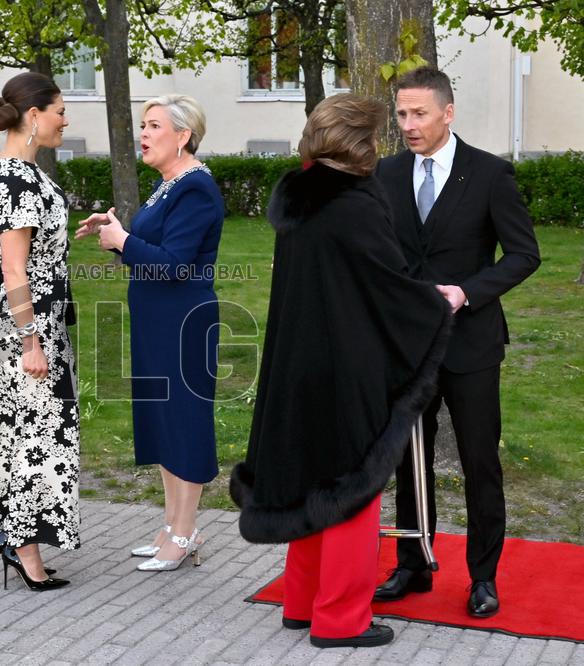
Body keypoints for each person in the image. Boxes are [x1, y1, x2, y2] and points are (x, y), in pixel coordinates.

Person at [229, 93, 452, 648]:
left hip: (298, 364)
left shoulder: (300, 201)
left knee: (312, 483)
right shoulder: (354, 204)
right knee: (353, 489)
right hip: (347, 366)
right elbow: (387, 284)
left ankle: (301, 606)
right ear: (357, 144)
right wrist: (437, 302)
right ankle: (341, 621)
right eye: (375, 138)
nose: (380, 147)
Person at [374, 67, 541, 618]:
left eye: (419, 113)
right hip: (406, 347)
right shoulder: (387, 173)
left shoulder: (491, 174)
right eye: (401, 114)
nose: (408, 124)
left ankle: (483, 577)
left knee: (478, 462)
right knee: (407, 461)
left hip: (471, 346)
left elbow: (523, 255)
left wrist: (467, 292)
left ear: (448, 112)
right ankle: (412, 564)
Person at [76, 94, 224, 572]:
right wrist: (120, 234)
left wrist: (124, 242)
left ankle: (185, 532)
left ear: (183, 136)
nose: (143, 134)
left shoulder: (195, 187)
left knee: (183, 423)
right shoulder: (167, 185)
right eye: (142, 124)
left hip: (183, 323)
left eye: (154, 125)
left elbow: (178, 265)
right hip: (157, 321)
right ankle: (170, 526)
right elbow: (155, 249)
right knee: (162, 423)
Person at [0, 72, 78, 591]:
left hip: (43, 319)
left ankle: (22, 541)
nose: (64, 119)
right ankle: (22, 548)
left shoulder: (27, 172)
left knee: (37, 435)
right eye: (58, 110)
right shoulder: (13, 176)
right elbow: (14, 270)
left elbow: (35, 252)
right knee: (29, 437)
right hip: (25, 328)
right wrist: (31, 341)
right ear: (34, 115)